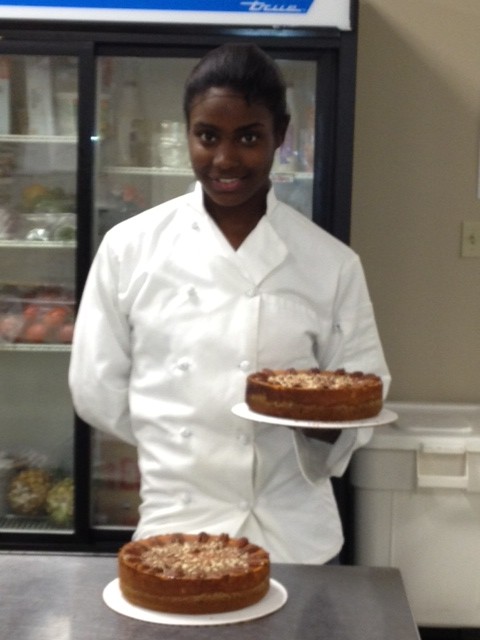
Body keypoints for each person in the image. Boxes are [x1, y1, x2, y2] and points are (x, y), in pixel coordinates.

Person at [69, 43, 390, 564]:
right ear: (188, 134)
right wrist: (178, 440)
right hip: (177, 526)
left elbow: (365, 389)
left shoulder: (330, 263)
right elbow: (96, 388)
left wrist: (312, 424)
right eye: (207, 136)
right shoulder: (131, 248)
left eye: (248, 137)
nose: (225, 159)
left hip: (294, 533)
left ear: (278, 137)